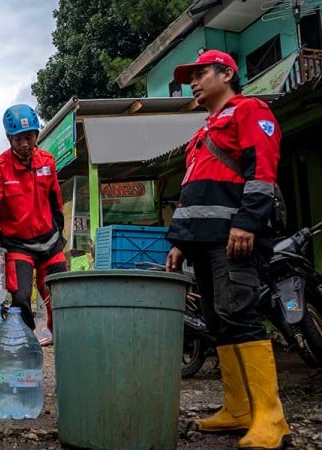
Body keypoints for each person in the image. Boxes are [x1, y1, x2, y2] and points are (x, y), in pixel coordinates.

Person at [166, 50, 290, 450]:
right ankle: (238, 409)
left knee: (239, 314)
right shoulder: (203, 132)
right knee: (218, 321)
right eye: (192, 76)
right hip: (202, 243)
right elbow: (195, 192)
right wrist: (181, 245)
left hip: (234, 238)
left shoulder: (249, 110)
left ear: (227, 73)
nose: (194, 82)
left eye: (201, 73)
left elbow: (263, 171)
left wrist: (247, 223)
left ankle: (272, 419)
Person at [0, 104, 68, 343]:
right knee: (20, 298)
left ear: (37, 135)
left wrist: (60, 234)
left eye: (30, 137)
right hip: (19, 245)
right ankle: (27, 343)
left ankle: (60, 337)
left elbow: (56, 200)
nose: (26, 144)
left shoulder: (47, 161)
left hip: (50, 240)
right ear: (9, 138)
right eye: (19, 139)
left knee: (61, 294)